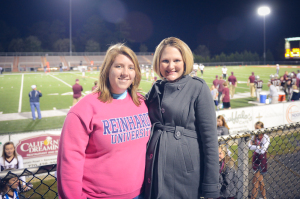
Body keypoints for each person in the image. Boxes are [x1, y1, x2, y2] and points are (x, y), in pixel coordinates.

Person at [57, 43, 150, 199]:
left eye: (131, 67)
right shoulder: (83, 110)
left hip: (140, 194)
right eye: (119, 66)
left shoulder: (142, 103)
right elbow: (69, 163)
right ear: (107, 70)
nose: (125, 73)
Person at [144, 37, 219, 199]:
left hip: (183, 176)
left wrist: (211, 187)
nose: (171, 66)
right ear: (158, 63)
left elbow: (210, 142)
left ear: (185, 61)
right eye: (165, 61)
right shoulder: (155, 89)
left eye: (176, 60)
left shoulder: (198, 88)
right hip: (154, 169)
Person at [249, 122, 270, 199]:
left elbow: (263, 150)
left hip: (262, 160)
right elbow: (249, 146)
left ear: (262, 128)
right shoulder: (254, 136)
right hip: (255, 159)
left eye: (257, 128)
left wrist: (255, 146)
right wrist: (259, 147)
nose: (256, 130)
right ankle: (264, 197)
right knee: (260, 181)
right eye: (255, 128)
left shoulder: (266, 137)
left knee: (255, 180)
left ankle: (253, 198)